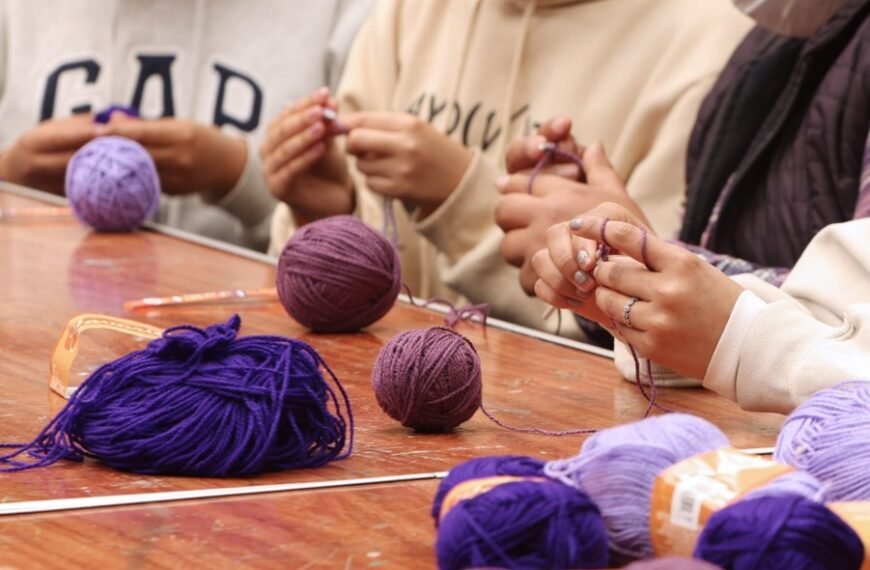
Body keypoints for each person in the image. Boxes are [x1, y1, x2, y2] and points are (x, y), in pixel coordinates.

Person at [264, 0, 752, 335]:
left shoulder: (711, 43)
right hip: (390, 400)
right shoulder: (411, 10)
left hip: (564, 428)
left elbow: (659, 326)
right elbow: (350, 289)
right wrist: (328, 210)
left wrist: (462, 201)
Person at [502, 0, 869, 292]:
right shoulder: (766, 47)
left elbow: (853, 317)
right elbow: (701, 241)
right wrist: (599, 231)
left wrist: (634, 253)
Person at [0, 0, 372, 250]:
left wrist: (238, 177)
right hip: (34, 324)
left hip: (240, 345)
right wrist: (9, 178)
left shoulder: (345, 14)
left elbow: (384, 248)